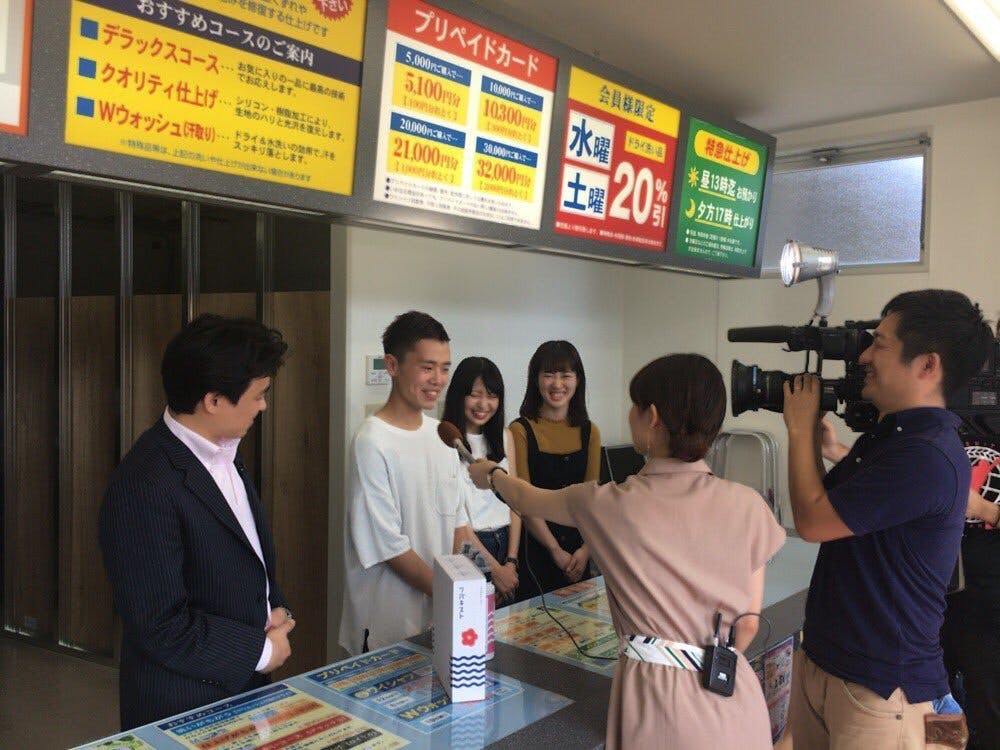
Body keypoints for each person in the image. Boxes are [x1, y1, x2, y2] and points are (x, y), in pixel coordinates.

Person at [471, 354, 785, 749]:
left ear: (651, 416)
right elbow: (747, 626)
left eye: (634, 406)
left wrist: (492, 474)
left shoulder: (609, 504)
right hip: (735, 699)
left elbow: (525, 497)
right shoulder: (750, 504)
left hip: (659, 704)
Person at [783, 289, 992, 748]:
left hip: (882, 692)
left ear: (927, 365)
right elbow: (828, 510)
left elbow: (812, 523)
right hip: (830, 665)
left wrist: (798, 430)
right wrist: (811, 442)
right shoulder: (892, 435)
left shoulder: (926, 455)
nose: (863, 357)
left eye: (879, 344)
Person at [99, 314, 294, 730]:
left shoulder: (224, 450)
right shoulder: (144, 483)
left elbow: (245, 553)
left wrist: (274, 607)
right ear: (213, 400)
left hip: (243, 691)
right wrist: (261, 652)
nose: (263, 405)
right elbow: (160, 625)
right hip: (184, 705)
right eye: (258, 395)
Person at [339, 311, 474, 655]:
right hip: (387, 625)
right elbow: (390, 547)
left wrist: (463, 590)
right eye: (427, 367)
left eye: (444, 368)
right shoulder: (372, 441)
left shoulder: (442, 434)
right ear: (392, 365)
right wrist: (454, 595)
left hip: (441, 617)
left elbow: (458, 524)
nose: (438, 380)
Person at [511, 340, 601, 597]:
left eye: (566, 375)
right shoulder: (519, 430)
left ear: (578, 380)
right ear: (536, 379)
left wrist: (585, 551)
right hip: (536, 550)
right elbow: (523, 501)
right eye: (549, 374)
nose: (557, 384)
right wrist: (555, 550)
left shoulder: (590, 431)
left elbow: (592, 501)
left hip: (579, 551)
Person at [441, 356, 521, 603]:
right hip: (470, 547)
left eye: (492, 396)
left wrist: (511, 561)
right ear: (459, 395)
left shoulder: (505, 437)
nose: (483, 404)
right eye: (475, 395)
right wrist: (494, 570)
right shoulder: (445, 442)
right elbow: (459, 528)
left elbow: (515, 503)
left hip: (506, 545)